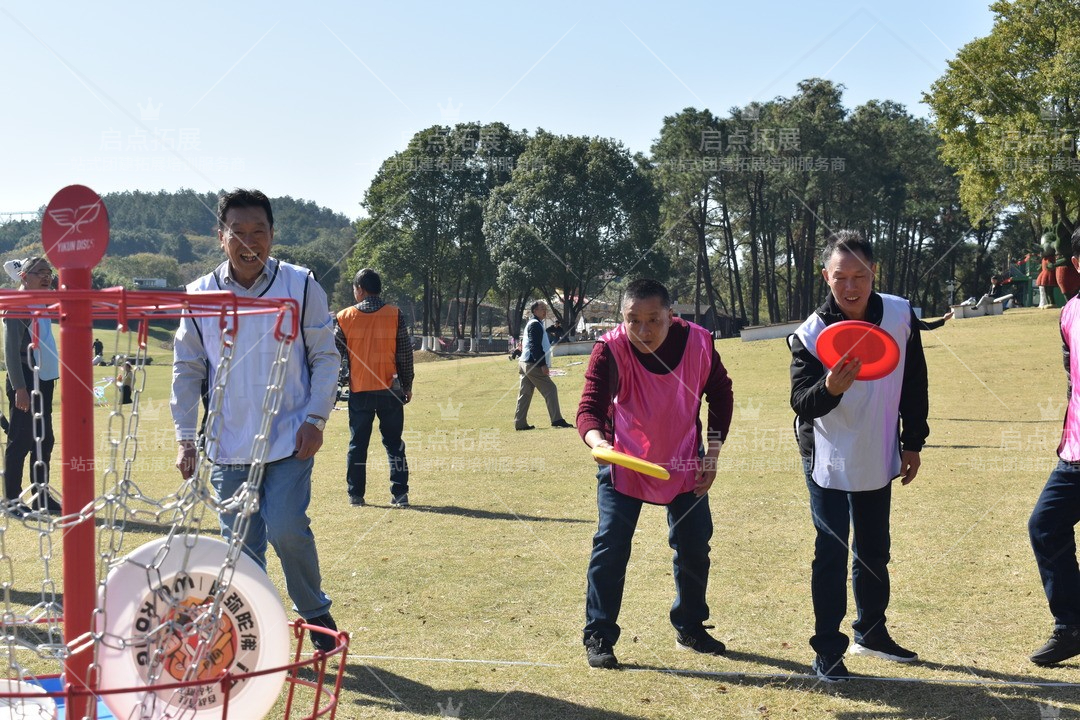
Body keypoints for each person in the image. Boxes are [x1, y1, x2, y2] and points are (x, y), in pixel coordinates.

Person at [171, 189, 340, 652]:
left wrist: (316, 418)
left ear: (272, 234)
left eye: (259, 232)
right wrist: (186, 437)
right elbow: (187, 369)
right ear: (220, 236)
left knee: (287, 526)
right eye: (238, 232)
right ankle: (260, 628)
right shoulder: (200, 294)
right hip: (227, 442)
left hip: (290, 435)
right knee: (241, 548)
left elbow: (326, 356)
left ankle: (314, 611)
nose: (250, 242)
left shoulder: (301, 284)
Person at [789, 230, 929, 682]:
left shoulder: (901, 314)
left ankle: (871, 630)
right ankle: (827, 648)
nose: (851, 287)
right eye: (840, 277)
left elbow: (914, 382)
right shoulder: (810, 334)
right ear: (825, 277)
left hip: (878, 446)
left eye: (860, 276)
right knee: (830, 551)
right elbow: (802, 403)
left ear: (874, 274)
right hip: (827, 454)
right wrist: (830, 387)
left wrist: (913, 441)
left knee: (874, 548)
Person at [577, 278, 734, 669]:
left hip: (684, 461)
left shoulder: (699, 342)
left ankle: (691, 627)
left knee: (694, 547)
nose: (643, 330)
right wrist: (597, 442)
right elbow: (589, 408)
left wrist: (711, 453)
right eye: (633, 320)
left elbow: (721, 393)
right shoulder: (608, 350)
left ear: (671, 316)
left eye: (653, 320)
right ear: (622, 318)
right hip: (624, 461)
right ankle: (599, 633)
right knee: (611, 547)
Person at [1028, 226, 1080, 666]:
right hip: (1076, 455)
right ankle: (1072, 627)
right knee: (1044, 526)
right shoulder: (1070, 313)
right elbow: (1072, 379)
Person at [334, 268, 414, 508]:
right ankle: (400, 494)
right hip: (391, 389)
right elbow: (404, 353)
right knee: (394, 444)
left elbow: (335, 354)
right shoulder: (395, 314)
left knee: (358, 445)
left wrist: (340, 381)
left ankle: (356, 495)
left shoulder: (344, 317)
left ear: (360, 289)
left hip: (360, 390)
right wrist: (407, 384)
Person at [2, 257, 62, 516]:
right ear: (24, 277)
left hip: (44, 380)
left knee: (44, 439)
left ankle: (40, 496)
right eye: (40, 273)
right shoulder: (17, 305)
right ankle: (11, 501)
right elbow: (11, 352)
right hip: (25, 381)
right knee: (21, 440)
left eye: (49, 273)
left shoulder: (42, 302)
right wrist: (20, 388)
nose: (47, 277)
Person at [514, 301, 573, 431]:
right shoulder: (535, 325)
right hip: (532, 363)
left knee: (525, 393)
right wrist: (542, 365)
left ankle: (520, 422)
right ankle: (557, 419)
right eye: (542, 309)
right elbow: (535, 346)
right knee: (550, 389)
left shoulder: (532, 323)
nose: (544, 311)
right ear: (534, 311)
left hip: (525, 362)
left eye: (545, 309)